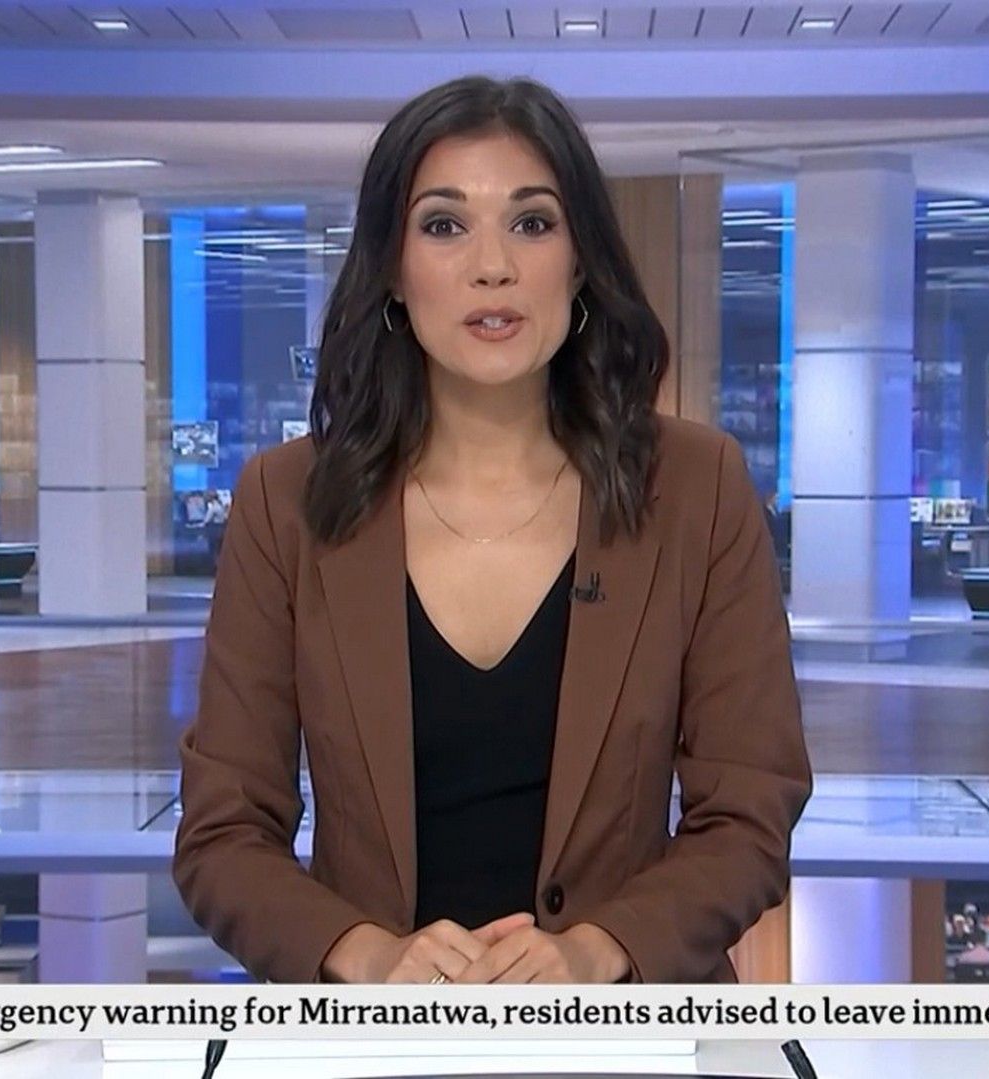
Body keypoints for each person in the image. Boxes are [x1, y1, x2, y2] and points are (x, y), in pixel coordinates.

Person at [174, 76, 811, 986]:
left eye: (532, 222)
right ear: (393, 269)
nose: (492, 266)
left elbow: (749, 811)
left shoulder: (695, 487)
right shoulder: (287, 502)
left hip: (621, 1028)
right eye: (444, 225)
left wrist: (598, 948)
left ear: (580, 260)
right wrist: (367, 954)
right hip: (380, 1032)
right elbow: (224, 831)